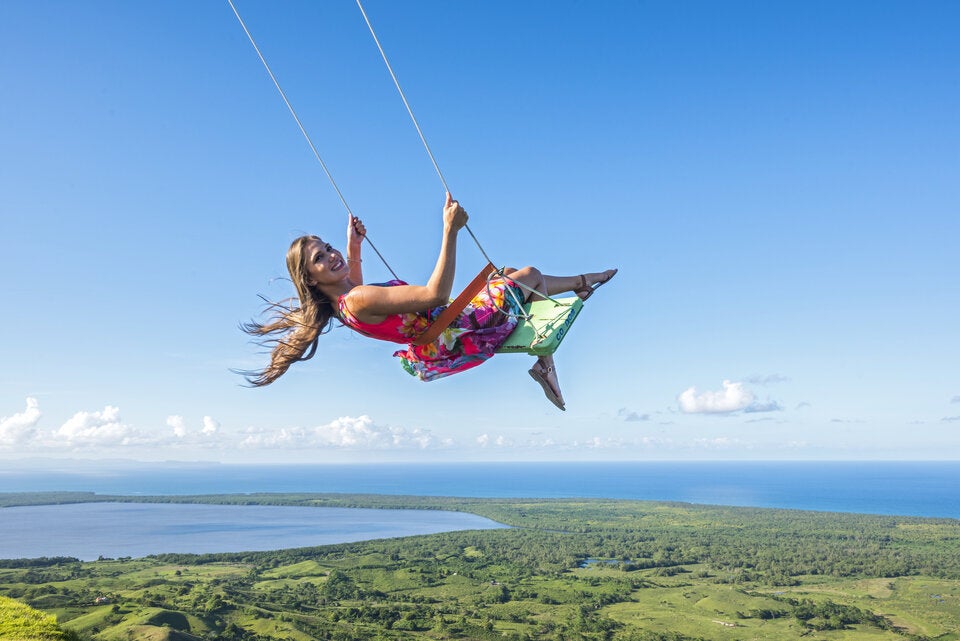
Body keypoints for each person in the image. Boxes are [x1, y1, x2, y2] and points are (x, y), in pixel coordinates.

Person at [242, 193, 616, 410]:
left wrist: (353, 244)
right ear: (310, 277)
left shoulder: (345, 301)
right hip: (459, 331)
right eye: (320, 258)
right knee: (528, 275)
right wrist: (449, 230)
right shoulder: (356, 299)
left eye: (327, 247)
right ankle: (583, 285)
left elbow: (353, 279)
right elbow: (434, 295)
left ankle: (548, 359)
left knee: (512, 276)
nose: (331, 256)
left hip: (443, 338)